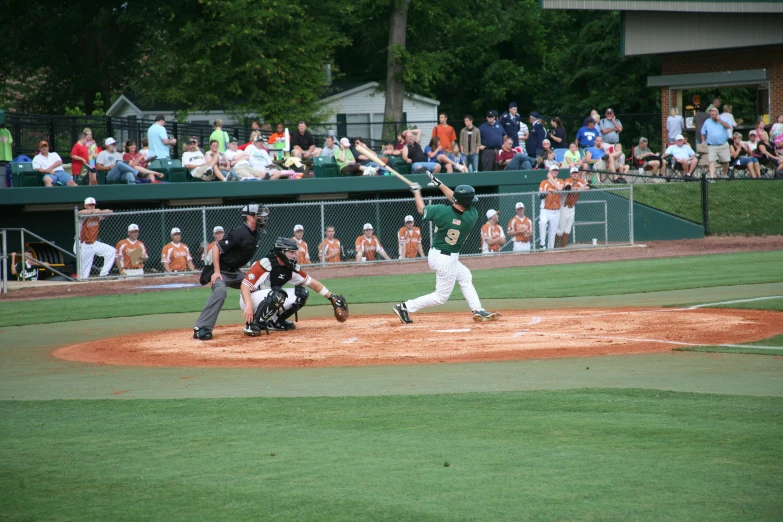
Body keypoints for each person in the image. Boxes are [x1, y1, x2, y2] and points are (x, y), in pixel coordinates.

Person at [392, 179, 499, 324]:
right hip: (446, 260)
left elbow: (421, 209)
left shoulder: (441, 211)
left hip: (436, 254)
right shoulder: (471, 216)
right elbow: (456, 199)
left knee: (465, 276)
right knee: (441, 297)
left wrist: (416, 192)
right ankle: (405, 307)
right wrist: (440, 185)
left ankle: (477, 309)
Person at [239, 238, 348, 335]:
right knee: (278, 294)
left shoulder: (290, 267)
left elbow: (312, 283)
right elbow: (244, 285)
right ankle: (254, 325)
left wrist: (331, 297)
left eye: (295, 252)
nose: (295, 255)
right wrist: (248, 305)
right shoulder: (265, 264)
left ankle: (276, 323)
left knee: (301, 294)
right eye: (291, 252)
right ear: (281, 252)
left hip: (269, 297)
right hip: (249, 299)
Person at [193, 203, 269, 340]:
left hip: (233, 272)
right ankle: (201, 328)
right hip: (220, 272)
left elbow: (236, 255)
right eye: (260, 215)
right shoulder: (239, 232)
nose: (263, 218)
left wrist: (241, 272)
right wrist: (216, 272)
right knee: (221, 292)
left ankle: (255, 323)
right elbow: (216, 248)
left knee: (257, 284)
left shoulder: (255, 234)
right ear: (250, 217)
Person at [75, 197, 115, 279]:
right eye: (90, 205)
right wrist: (94, 211)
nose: (92, 206)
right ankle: (82, 284)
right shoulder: (82, 216)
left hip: (94, 243)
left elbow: (110, 211)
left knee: (111, 251)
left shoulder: (97, 214)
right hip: (82, 244)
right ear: (85, 205)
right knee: (84, 274)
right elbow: (79, 212)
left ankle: (104, 274)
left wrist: (99, 211)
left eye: (93, 205)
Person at [556, 167, 589, 248]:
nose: (575, 174)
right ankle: (554, 247)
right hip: (564, 207)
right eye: (573, 173)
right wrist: (577, 188)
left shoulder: (579, 181)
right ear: (570, 174)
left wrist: (580, 188)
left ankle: (562, 248)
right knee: (560, 231)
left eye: (576, 173)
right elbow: (568, 187)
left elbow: (588, 186)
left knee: (567, 230)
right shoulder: (568, 180)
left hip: (572, 207)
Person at [701, 106, 731, 179]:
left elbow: (728, 126)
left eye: (713, 115)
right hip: (712, 145)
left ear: (717, 114)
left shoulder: (723, 119)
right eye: (711, 114)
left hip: (723, 144)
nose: (711, 116)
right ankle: (711, 177)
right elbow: (702, 132)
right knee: (711, 161)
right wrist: (702, 141)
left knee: (726, 161)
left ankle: (724, 174)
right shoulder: (707, 121)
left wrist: (720, 120)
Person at [538, 165, 564, 250]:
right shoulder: (544, 182)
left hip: (556, 210)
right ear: (549, 172)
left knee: (553, 231)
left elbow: (560, 188)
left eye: (556, 171)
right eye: (553, 171)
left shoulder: (560, 180)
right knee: (542, 222)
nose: (555, 172)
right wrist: (547, 192)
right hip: (545, 209)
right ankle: (542, 244)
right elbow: (540, 195)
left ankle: (551, 249)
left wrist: (552, 181)